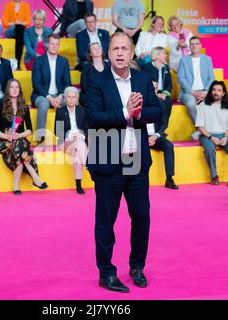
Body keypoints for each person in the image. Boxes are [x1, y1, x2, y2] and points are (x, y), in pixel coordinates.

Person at [85, 32, 163, 293]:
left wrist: (138, 114)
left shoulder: (142, 79)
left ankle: (137, 266)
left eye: (124, 48)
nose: (119, 53)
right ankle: (106, 273)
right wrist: (124, 113)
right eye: (115, 48)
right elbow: (93, 118)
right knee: (106, 220)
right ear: (108, 54)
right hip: (107, 162)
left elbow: (157, 111)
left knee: (142, 217)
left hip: (137, 161)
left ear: (132, 54)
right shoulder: (96, 81)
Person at [0, 79, 47, 195]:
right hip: (4, 141)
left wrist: (19, 135)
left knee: (19, 145)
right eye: (12, 87)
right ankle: (35, 177)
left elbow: (29, 130)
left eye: (17, 87)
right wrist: (7, 136)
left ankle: (16, 187)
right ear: (8, 89)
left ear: (20, 90)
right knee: (20, 147)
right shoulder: (0, 105)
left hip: (19, 140)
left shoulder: (24, 107)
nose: (14, 89)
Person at [195, 80, 228, 188]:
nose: (216, 92)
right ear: (211, 91)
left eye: (219, 90)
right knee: (210, 149)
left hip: (223, 134)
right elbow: (199, 127)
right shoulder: (203, 105)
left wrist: (226, 137)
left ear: (223, 93)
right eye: (214, 90)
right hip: (207, 135)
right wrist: (211, 137)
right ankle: (214, 176)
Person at [31, 34, 71, 144]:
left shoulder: (64, 61)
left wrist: (61, 95)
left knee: (67, 102)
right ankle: (40, 138)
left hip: (58, 95)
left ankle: (62, 137)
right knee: (44, 104)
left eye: (57, 44)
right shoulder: (39, 61)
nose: (54, 46)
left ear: (59, 46)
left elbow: (67, 83)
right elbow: (36, 83)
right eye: (52, 43)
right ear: (47, 45)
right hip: (41, 95)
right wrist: (49, 98)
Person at [177, 36, 215, 140]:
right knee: (190, 103)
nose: (194, 46)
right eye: (192, 44)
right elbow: (181, 78)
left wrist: (206, 91)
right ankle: (200, 130)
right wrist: (192, 92)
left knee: (212, 104)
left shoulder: (207, 59)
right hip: (189, 92)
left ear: (201, 46)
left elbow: (211, 78)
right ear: (189, 46)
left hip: (204, 91)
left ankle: (206, 131)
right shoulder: (184, 60)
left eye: (196, 44)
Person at [55, 87, 88, 194]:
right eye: (68, 97)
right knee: (78, 144)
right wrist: (71, 135)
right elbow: (58, 132)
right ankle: (88, 163)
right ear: (65, 98)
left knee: (76, 155)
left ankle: (78, 184)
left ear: (77, 99)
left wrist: (81, 135)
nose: (71, 99)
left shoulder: (82, 110)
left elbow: (87, 129)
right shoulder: (60, 111)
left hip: (80, 141)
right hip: (65, 142)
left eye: (73, 97)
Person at [141, 46, 172, 135]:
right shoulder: (146, 67)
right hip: (151, 93)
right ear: (157, 56)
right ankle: (157, 130)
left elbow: (169, 84)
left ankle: (162, 129)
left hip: (163, 93)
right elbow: (144, 83)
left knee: (168, 101)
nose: (166, 55)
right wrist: (155, 93)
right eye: (164, 53)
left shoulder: (166, 67)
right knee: (159, 102)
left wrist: (165, 93)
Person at [2, 0, 31, 69]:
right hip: (9, 31)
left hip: (20, 31)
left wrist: (20, 24)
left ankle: (17, 63)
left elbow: (28, 22)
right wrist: (16, 23)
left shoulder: (26, 5)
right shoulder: (8, 5)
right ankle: (18, 62)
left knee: (20, 33)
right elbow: (5, 22)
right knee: (20, 29)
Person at [79, 42, 110, 106]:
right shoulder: (86, 67)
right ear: (90, 53)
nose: (97, 50)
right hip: (91, 96)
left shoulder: (109, 66)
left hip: (106, 95)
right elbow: (84, 87)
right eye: (94, 48)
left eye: (98, 48)